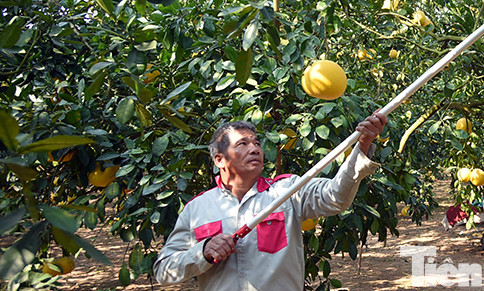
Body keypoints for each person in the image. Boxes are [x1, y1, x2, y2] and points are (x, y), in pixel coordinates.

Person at [153, 112, 388, 290]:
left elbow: (335, 198)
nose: (254, 148)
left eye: (256, 143)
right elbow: (164, 271)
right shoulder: (197, 209)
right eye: (242, 144)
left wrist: (363, 145)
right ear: (219, 159)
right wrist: (202, 252)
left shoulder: (288, 191)